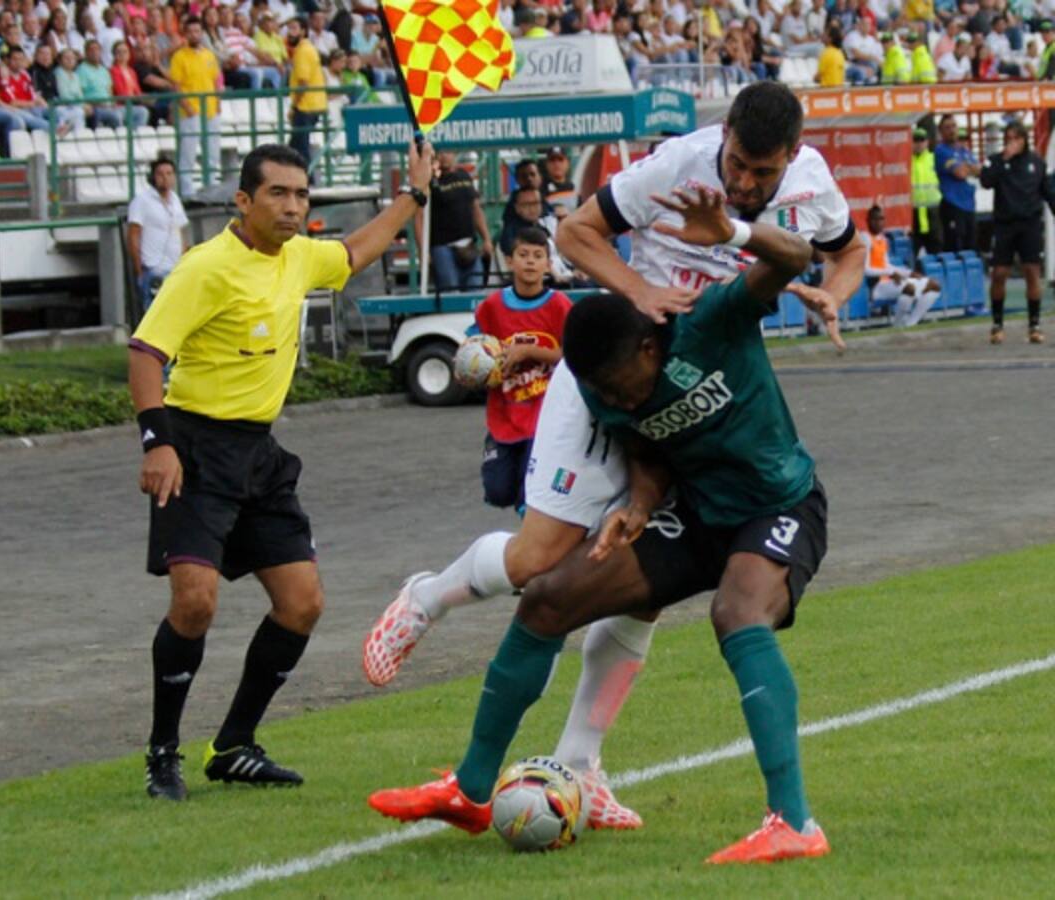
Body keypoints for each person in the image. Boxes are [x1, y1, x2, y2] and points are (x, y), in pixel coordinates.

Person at [362, 82, 864, 830]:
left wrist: (831, 293)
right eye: (735, 163)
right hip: (618, 354)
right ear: (721, 135)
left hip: (698, 362)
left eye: (761, 174)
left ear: (791, 158)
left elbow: (833, 253)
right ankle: (429, 597)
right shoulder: (679, 168)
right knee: (540, 564)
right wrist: (642, 292)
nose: (743, 182)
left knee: (637, 586)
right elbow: (575, 232)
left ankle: (584, 764)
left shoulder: (806, 196)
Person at [130, 140, 436, 801]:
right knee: (195, 603)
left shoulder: (300, 257)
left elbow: (356, 251)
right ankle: (162, 754)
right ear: (244, 201)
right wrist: (156, 444)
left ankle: (234, 745)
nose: (293, 206)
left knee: (302, 604)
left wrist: (414, 195)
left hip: (259, 455)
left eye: (301, 194)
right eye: (278, 194)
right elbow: (147, 352)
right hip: (193, 449)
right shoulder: (204, 268)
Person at [471, 226, 573, 513]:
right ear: (510, 261)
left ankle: (531, 544)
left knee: (530, 497)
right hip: (505, 414)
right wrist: (478, 366)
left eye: (538, 255)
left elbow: (575, 356)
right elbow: (473, 348)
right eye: (523, 254)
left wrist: (530, 351)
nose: (530, 261)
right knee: (498, 490)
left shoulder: (559, 306)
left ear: (548, 264)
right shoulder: (491, 307)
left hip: (545, 419)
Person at [978, 121, 1055, 345]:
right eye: (1008, 139)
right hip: (1004, 225)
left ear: (1024, 140)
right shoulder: (996, 161)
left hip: (1029, 225)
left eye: (1016, 139)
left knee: (1032, 272)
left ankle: (1034, 323)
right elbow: (986, 181)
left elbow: (1048, 192)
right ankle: (997, 323)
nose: (1011, 143)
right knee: (999, 273)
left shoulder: (1036, 164)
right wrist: (1003, 160)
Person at [425, 150, 494, 291]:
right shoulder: (429, 181)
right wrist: (423, 251)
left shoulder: (464, 176)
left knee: (475, 291)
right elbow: (420, 218)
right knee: (450, 293)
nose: (444, 156)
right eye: (440, 153)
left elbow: (476, 208)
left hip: (469, 245)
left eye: (447, 152)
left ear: (454, 154)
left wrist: (486, 239)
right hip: (442, 246)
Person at [127, 157, 189, 312]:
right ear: (153, 177)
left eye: (169, 173)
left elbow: (180, 232)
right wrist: (139, 270)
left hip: (175, 268)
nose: (165, 178)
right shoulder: (142, 201)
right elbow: (133, 235)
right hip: (154, 268)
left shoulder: (175, 199)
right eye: (160, 174)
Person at [863, 204, 942, 326]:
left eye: (882, 219)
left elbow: (886, 265)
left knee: (934, 285)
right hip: (876, 286)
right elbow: (865, 270)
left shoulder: (882, 239)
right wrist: (891, 273)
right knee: (909, 288)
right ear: (868, 221)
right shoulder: (865, 238)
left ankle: (911, 323)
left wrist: (909, 273)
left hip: (890, 282)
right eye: (876, 219)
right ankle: (898, 324)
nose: (879, 222)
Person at [169, 16, 221, 197]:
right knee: (188, 154)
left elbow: (216, 80)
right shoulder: (179, 57)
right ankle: (187, 192)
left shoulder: (208, 54)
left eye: (197, 31)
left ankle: (212, 188)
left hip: (211, 110)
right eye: (190, 31)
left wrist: (218, 102)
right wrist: (187, 106)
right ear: (185, 34)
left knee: (212, 153)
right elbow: (175, 85)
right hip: (191, 111)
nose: (194, 35)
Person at [935, 114, 980, 253]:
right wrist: (969, 168)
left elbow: (980, 170)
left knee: (971, 247)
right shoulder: (941, 151)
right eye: (947, 128)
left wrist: (967, 167)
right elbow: (959, 173)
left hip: (969, 205)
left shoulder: (964, 150)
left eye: (953, 126)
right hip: (953, 205)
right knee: (955, 247)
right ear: (941, 132)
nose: (952, 130)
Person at [286, 15, 325, 174]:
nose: (290, 33)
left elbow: (303, 81)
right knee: (297, 146)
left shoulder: (302, 51)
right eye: (289, 29)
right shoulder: (309, 48)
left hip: (306, 105)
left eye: (294, 28)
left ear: (303, 31)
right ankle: (305, 179)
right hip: (314, 103)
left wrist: (294, 106)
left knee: (299, 147)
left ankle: (306, 180)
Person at [911, 127, 943, 258]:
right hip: (913, 212)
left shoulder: (933, 159)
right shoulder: (907, 161)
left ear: (927, 142)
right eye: (915, 140)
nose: (918, 143)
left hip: (933, 211)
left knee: (936, 248)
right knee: (912, 250)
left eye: (921, 140)